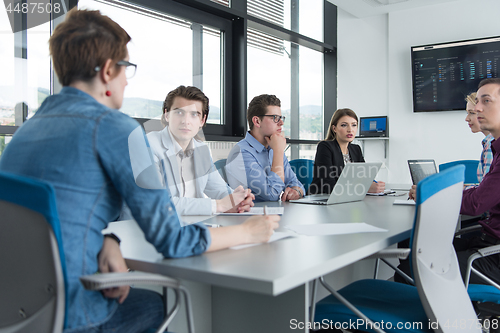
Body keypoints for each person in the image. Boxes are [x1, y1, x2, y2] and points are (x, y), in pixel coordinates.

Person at [0, 9, 279, 333]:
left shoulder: (25, 131)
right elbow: (171, 240)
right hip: (75, 314)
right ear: (107, 71)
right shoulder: (116, 128)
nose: (126, 80)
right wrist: (247, 232)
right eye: (125, 69)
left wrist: (108, 242)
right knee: (156, 303)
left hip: (15, 311)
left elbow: (54, 213)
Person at [405, 78, 500, 286]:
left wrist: (429, 192)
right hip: (488, 240)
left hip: (495, 255)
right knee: (416, 254)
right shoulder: (496, 149)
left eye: (486, 101)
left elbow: (476, 204)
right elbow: (482, 194)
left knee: (413, 267)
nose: (476, 109)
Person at [138, 85, 253, 215]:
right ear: (166, 115)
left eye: (194, 114)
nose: (186, 121)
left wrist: (239, 199)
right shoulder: (147, 146)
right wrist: (219, 205)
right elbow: (158, 204)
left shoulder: (201, 149)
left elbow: (218, 189)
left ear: (202, 120)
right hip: (142, 228)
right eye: (179, 112)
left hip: (188, 225)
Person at [226, 94, 305, 202]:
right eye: (275, 118)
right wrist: (278, 151)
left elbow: (295, 182)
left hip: (273, 214)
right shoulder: (241, 153)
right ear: (257, 121)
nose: (281, 123)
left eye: (281, 118)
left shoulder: (273, 147)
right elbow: (272, 194)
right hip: (249, 217)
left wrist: (296, 191)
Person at [309, 108, 385, 195]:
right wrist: (364, 187)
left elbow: (364, 178)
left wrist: (372, 184)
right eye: (344, 125)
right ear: (334, 128)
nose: (350, 130)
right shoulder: (325, 147)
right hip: (322, 199)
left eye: (354, 125)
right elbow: (329, 186)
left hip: (348, 199)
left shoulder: (356, 149)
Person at [465, 92, 494, 186]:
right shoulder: (489, 141)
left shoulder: (491, 144)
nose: (466, 118)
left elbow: (488, 189)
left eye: (472, 113)